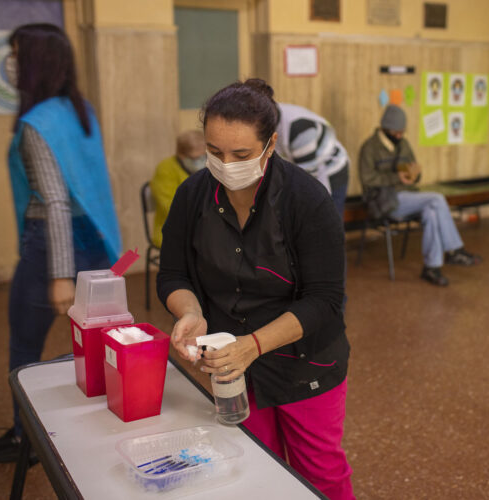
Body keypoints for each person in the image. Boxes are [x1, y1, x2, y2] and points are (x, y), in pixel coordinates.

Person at [157, 79, 354, 500]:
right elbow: (172, 274)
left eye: (241, 154)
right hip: (232, 365)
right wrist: (190, 312)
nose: (226, 164)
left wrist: (255, 344)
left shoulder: (306, 200)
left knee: (319, 474)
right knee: (252, 470)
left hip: (305, 362)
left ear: (271, 145)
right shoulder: (193, 196)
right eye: (214, 152)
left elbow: (325, 301)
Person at [0, 24, 121, 463]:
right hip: (94, 240)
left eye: (17, 54)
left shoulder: (35, 124)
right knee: (93, 341)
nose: (11, 63)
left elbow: (56, 202)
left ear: (35, 62)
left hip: (51, 247)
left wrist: (60, 276)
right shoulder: (80, 111)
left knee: (25, 347)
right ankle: (96, 420)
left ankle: (28, 438)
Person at [358, 105, 481, 287]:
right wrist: (395, 177)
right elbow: (367, 180)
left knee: (432, 211)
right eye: (396, 132)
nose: (399, 135)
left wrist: (414, 174)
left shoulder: (404, 144)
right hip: (384, 200)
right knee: (437, 199)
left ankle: (432, 268)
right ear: (385, 128)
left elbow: (414, 171)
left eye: (402, 131)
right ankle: (454, 251)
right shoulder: (369, 147)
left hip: (407, 196)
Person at [275, 103, 350, 217]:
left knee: (329, 222)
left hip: (332, 169)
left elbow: (308, 182)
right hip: (302, 168)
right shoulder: (266, 117)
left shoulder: (299, 129)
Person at [149, 130, 206, 247]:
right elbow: (171, 207)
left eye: (204, 156)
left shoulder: (210, 166)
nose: (201, 161)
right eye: (195, 158)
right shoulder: (165, 169)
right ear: (181, 155)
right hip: (174, 229)